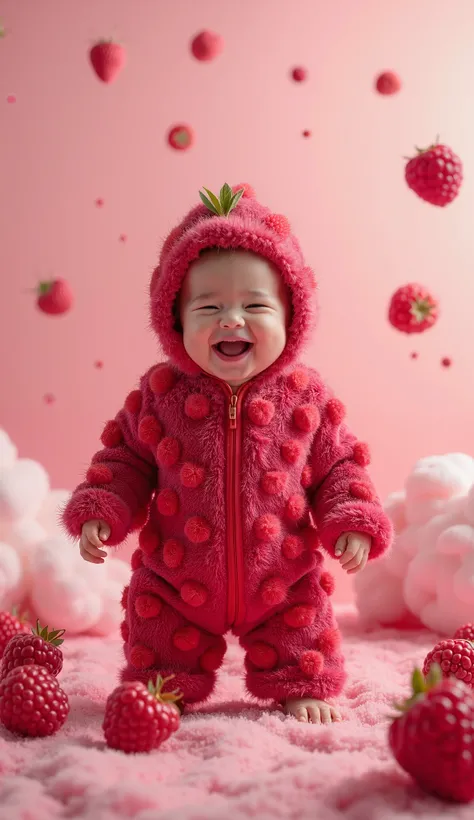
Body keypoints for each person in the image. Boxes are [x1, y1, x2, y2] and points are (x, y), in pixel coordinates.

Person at [62, 183, 392, 724]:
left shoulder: (306, 397)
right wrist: (102, 507)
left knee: (303, 623)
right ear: (175, 320)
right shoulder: (160, 394)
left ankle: (298, 682)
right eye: (209, 306)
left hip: (282, 578)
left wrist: (350, 519)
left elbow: (340, 467)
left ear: (293, 315)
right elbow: (124, 462)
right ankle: (164, 684)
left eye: (256, 305)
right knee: (157, 639)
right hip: (176, 583)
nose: (232, 320)